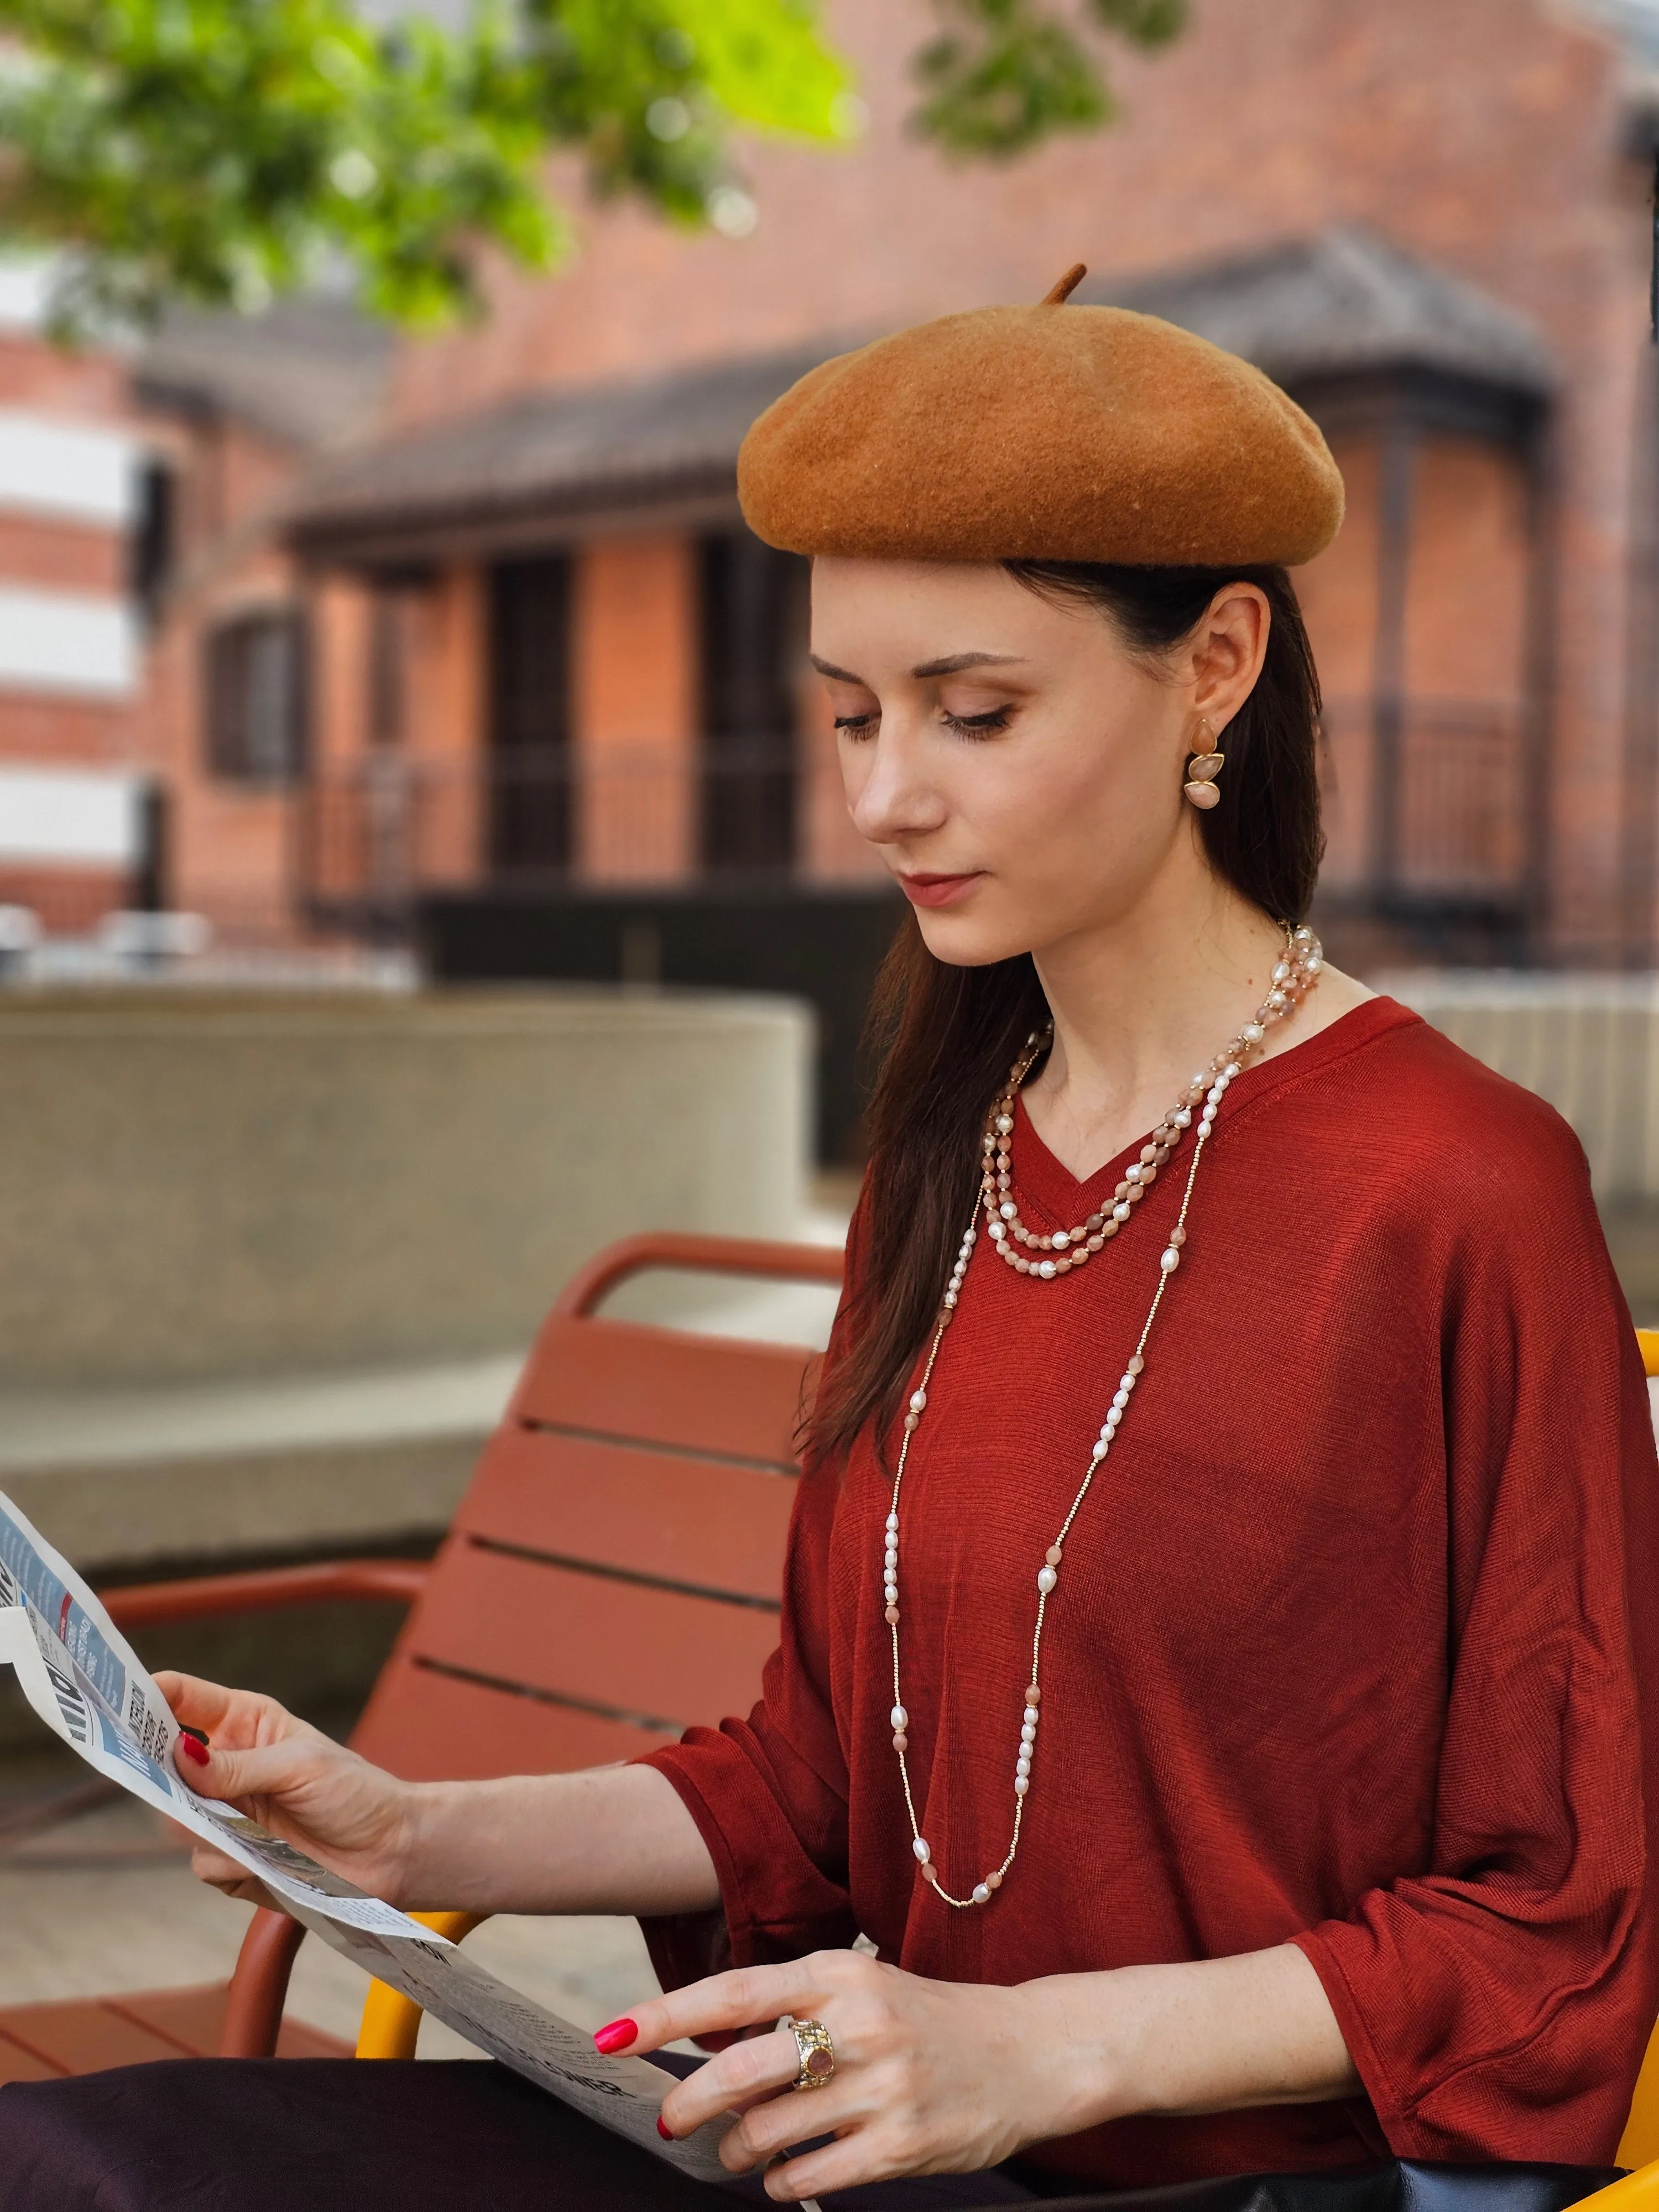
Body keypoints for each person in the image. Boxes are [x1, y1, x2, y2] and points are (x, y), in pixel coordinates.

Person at [4, 272, 1656, 2212]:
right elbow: (809, 1791)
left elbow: (1553, 1934)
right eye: (853, 715)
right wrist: (399, 1830)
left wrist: (1036, 2051)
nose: (885, 796)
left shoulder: (1458, 1186)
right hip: (873, 2150)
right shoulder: (951, 1155)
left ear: (1216, 665)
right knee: (79, 2157)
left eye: (976, 712)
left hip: (1228, 2183)